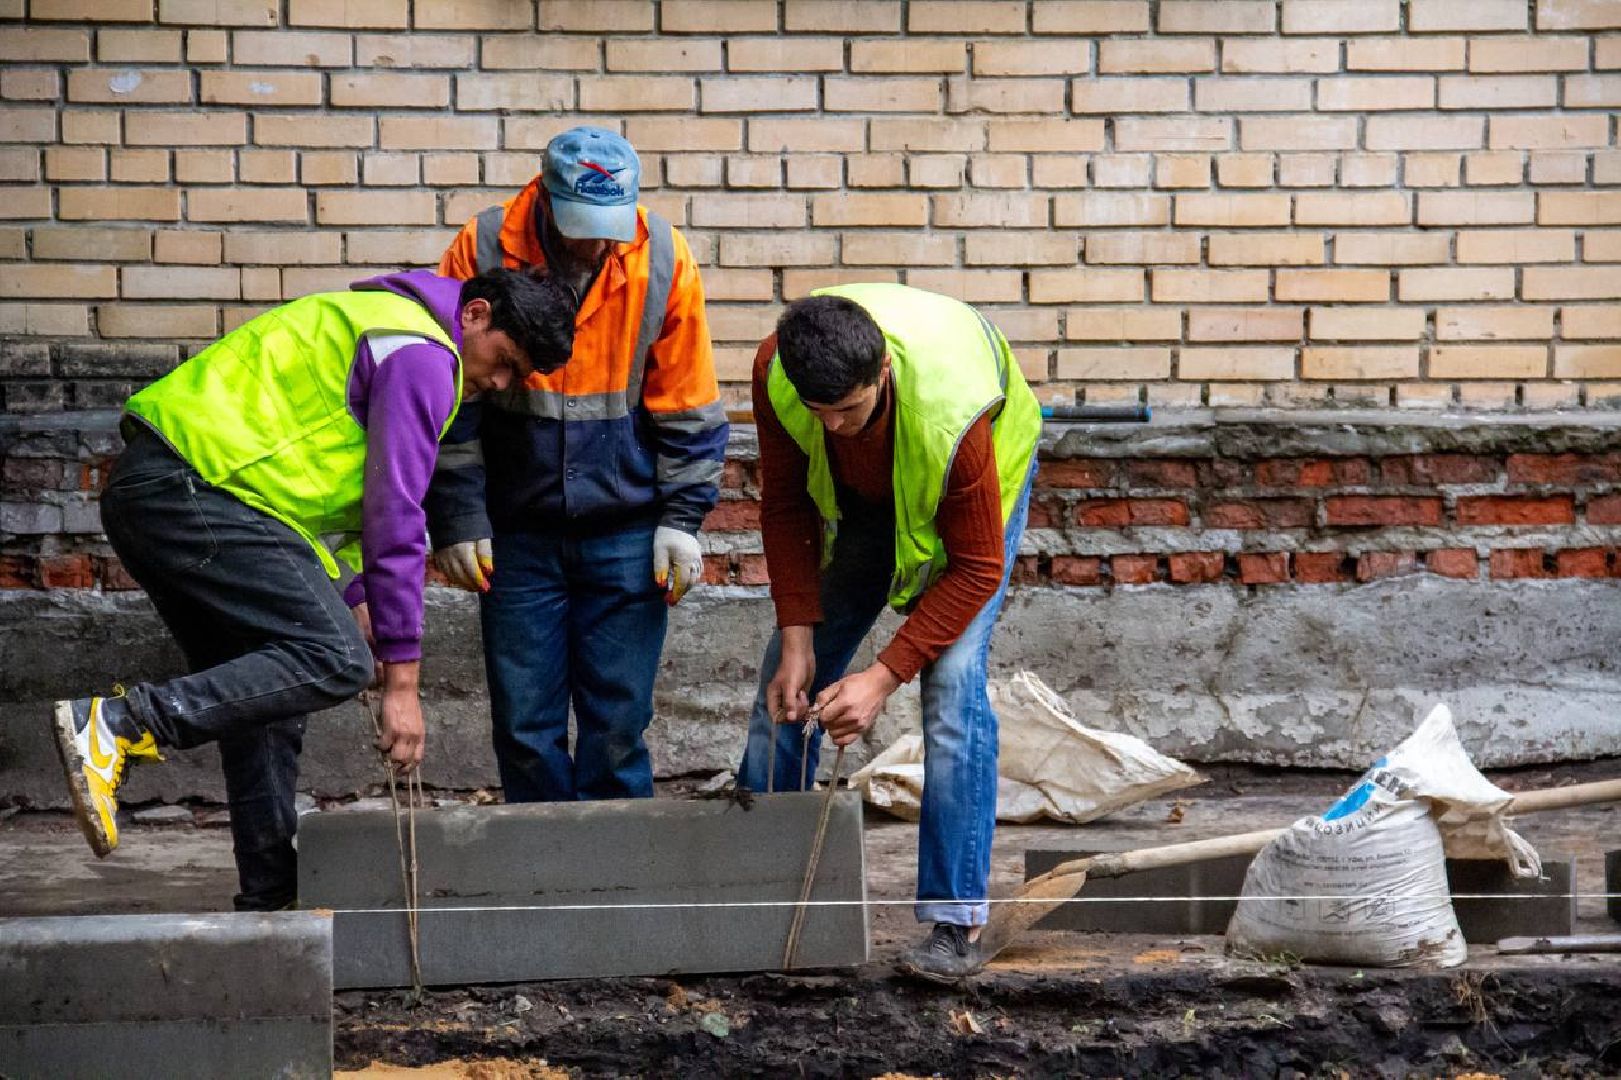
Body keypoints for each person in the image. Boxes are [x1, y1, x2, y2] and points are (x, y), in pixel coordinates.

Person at [51, 268, 576, 912]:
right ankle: (120, 723)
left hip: (164, 490)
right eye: (505, 361)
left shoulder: (390, 328)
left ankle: (270, 904)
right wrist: (403, 684)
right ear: (476, 314)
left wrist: (356, 596)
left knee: (266, 703)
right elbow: (396, 516)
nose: (499, 383)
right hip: (199, 491)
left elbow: (341, 498)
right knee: (336, 659)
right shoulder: (423, 357)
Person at [735, 284, 1041, 982]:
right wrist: (797, 636)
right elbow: (785, 505)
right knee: (784, 680)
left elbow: (974, 569)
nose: (832, 426)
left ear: (882, 373)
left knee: (952, 684)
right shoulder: (778, 370)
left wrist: (880, 679)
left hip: (975, 481)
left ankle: (955, 923)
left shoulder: (952, 415)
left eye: (847, 409)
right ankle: (764, 892)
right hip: (866, 502)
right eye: (819, 412)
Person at [430, 125, 725, 803]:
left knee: (618, 725)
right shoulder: (481, 247)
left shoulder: (662, 257)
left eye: (608, 229)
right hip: (516, 533)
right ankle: (540, 866)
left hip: (625, 530)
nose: (595, 244)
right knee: (524, 728)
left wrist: (681, 520)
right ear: (544, 195)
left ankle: (618, 867)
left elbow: (687, 403)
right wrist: (458, 514)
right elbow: (450, 393)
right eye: (580, 227)